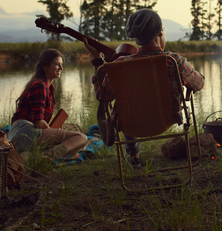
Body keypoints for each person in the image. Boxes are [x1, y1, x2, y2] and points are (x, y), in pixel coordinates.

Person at [84, 9, 205, 167]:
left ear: (136, 38)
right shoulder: (174, 61)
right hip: (165, 120)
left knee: (127, 105)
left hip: (130, 123)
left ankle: (133, 154)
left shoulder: (119, 66)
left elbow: (102, 96)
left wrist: (96, 59)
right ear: (160, 33)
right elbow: (198, 84)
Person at [7, 49, 88, 157]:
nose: (61, 68)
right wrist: (53, 132)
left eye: (61, 64)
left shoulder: (49, 87)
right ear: (45, 66)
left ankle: (31, 155)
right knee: (81, 138)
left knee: (78, 145)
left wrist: (54, 133)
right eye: (56, 64)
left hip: (23, 133)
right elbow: (38, 122)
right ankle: (47, 157)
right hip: (24, 131)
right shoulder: (39, 85)